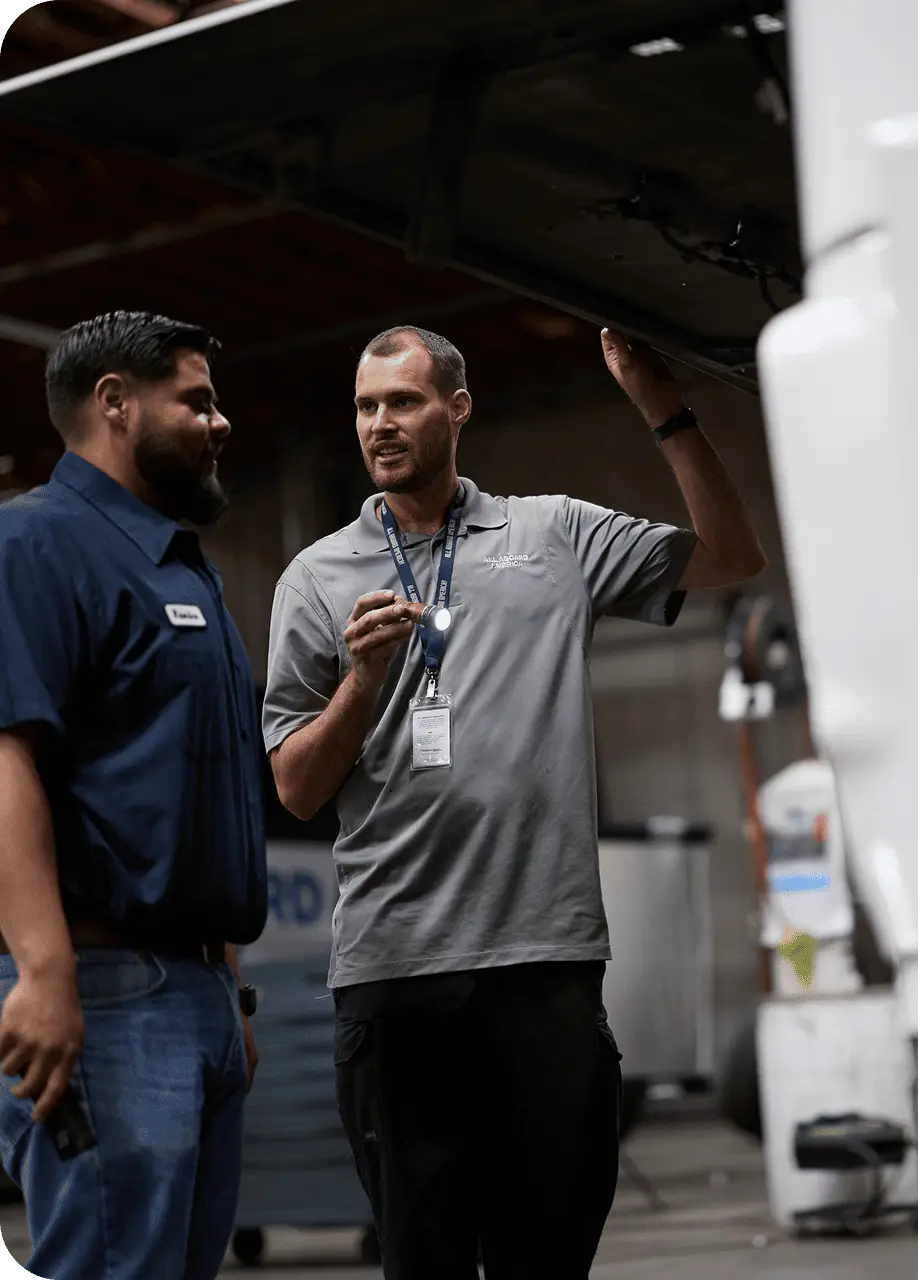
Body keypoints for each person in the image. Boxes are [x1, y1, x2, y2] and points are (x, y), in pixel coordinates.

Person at [262, 323, 765, 1279]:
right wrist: (361, 684)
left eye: (402, 402)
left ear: (457, 407)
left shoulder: (555, 534)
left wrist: (665, 411)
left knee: (547, 1258)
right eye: (366, 406)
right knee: (427, 1261)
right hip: (396, 973)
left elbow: (731, 555)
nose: (380, 424)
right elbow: (295, 787)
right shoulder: (316, 579)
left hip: (546, 965)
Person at [0, 311, 268, 1280]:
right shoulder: (32, 546)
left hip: (192, 994)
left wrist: (224, 983)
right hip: (102, 992)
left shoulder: (173, 560)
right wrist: (41, 970)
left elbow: (192, 797)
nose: (219, 420)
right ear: (115, 402)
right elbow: (5, 759)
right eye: (195, 400)